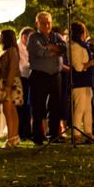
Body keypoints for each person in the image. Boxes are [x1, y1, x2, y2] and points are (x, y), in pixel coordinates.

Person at [27, 12, 67, 145]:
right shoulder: (33, 37)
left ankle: (54, 134)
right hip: (39, 75)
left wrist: (51, 48)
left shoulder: (57, 36)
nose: (47, 25)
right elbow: (40, 52)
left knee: (55, 106)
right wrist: (56, 50)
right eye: (43, 22)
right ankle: (38, 136)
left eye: (49, 22)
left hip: (56, 75)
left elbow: (64, 48)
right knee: (38, 106)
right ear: (37, 23)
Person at [70, 22, 94, 143]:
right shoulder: (75, 46)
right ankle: (76, 134)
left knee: (88, 108)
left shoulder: (83, 45)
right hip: (79, 81)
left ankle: (89, 133)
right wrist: (93, 62)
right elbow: (78, 67)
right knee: (79, 108)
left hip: (87, 80)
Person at [0, 30, 23, 148]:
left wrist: (7, 86)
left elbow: (12, 68)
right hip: (8, 81)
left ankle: (11, 137)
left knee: (8, 110)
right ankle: (14, 136)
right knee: (11, 110)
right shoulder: (7, 50)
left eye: (0, 35)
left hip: (10, 82)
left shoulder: (11, 50)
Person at [17, 27, 33, 140]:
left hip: (27, 78)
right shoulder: (18, 48)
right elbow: (23, 65)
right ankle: (21, 132)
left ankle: (26, 131)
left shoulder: (27, 47)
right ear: (24, 37)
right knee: (22, 107)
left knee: (27, 107)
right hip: (22, 78)